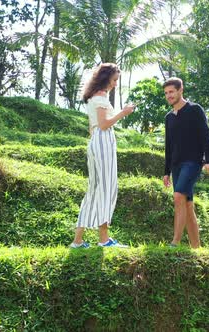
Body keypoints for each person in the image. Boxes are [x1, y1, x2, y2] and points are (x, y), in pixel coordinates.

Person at [70, 63, 135, 248]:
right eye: (114, 80)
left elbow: (95, 127)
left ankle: (78, 240)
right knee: (106, 188)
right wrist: (124, 112)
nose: (115, 84)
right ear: (106, 77)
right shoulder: (100, 97)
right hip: (102, 142)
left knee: (95, 189)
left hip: (97, 142)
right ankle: (104, 240)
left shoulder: (95, 97)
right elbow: (104, 124)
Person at [163, 77, 209, 248]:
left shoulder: (195, 110)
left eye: (171, 91)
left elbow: (206, 136)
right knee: (187, 204)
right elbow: (168, 146)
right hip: (176, 165)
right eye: (166, 93)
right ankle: (196, 247)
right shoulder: (169, 117)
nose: (169, 95)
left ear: (180, 90)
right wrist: (166, 171)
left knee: (178, 197)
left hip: (193, 162)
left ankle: (175, 242)